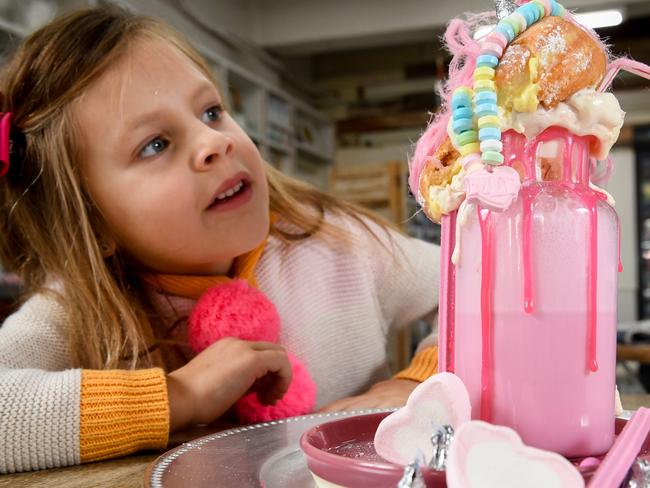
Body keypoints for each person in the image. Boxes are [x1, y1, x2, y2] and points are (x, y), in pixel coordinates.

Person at [0, 5, 439, 473]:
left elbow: (480, 287)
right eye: (155, 144)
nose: (215, 142)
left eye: (211, 112)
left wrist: (419, 381)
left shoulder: (337, 242)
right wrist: (178, 396)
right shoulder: (78, 307)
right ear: (93, 222)